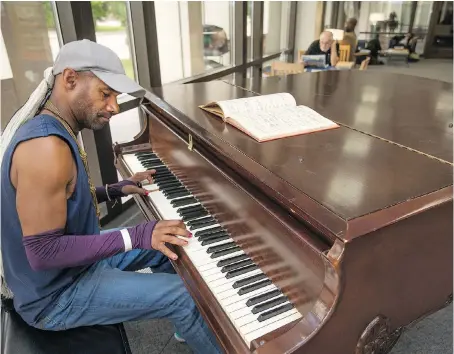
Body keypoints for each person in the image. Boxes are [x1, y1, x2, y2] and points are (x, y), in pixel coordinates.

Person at [0, 39, 221, 354]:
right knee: (183, 297)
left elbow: (64, 196)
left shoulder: (55, 128)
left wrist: (114, 189)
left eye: (115, 96)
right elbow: (43, 253)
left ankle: (188, 327)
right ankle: (189, 317)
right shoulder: (45, 149)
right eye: (106, 93)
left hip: (70, 269)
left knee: (166, 247)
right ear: (70, 79)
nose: (114, 107)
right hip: (54, 296)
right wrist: (136, 235)